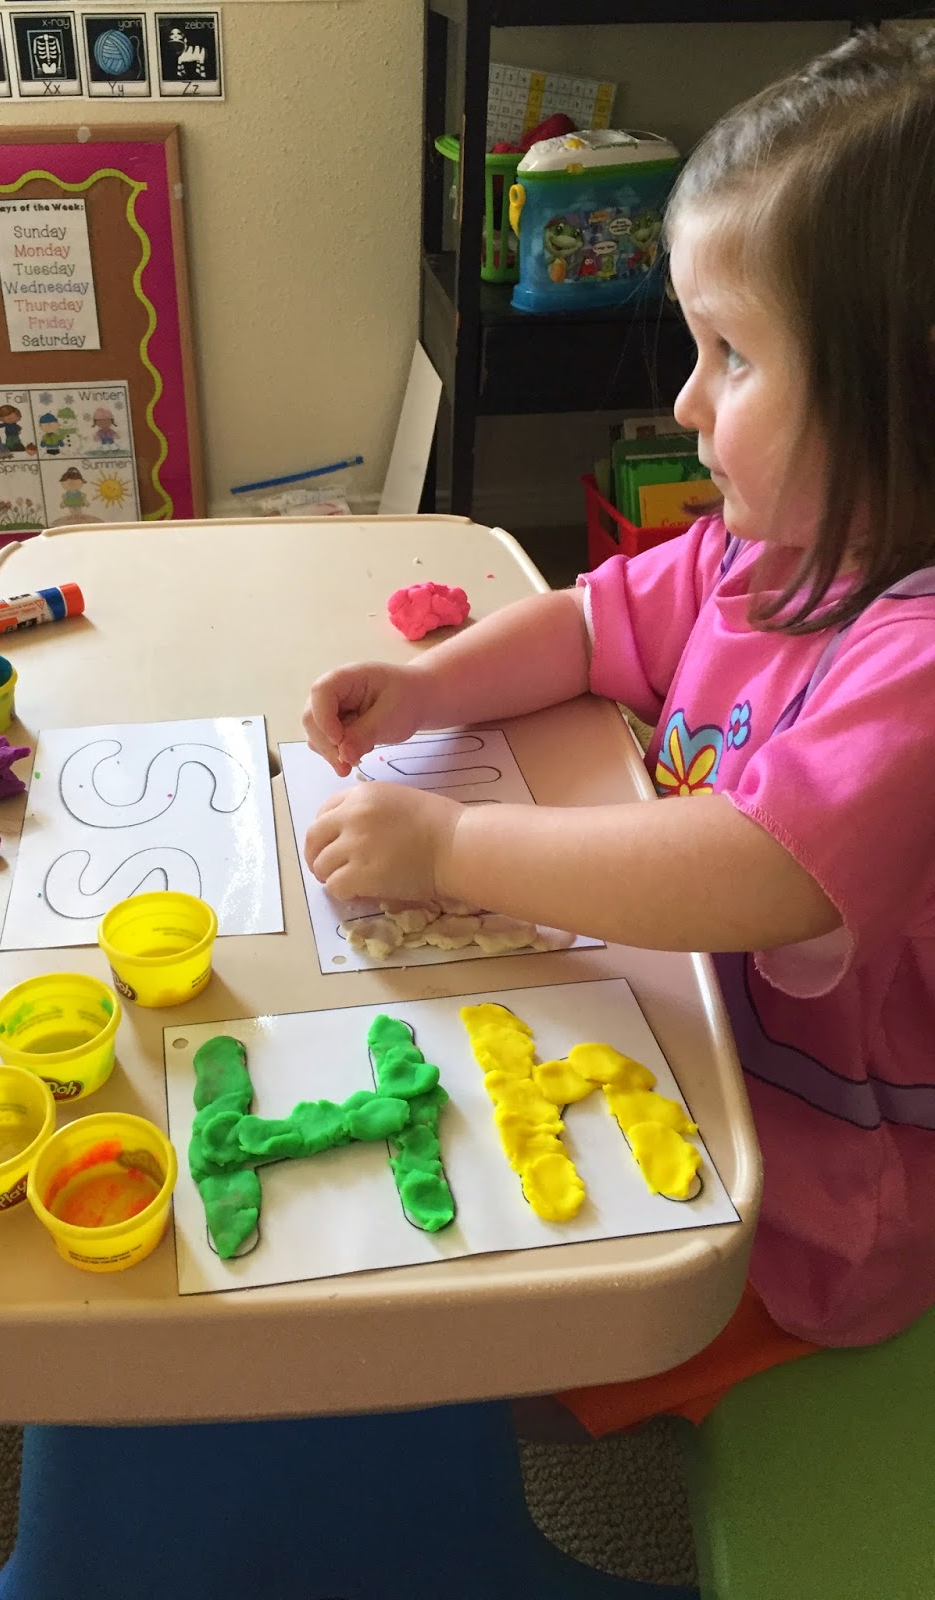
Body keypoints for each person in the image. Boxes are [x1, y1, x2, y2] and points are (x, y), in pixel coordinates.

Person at [303, 27, 935, 1437]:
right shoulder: (769, 545)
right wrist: (426, 689)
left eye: (733, 355)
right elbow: (597, 624)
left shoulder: (922, 654)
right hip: (703, 1024)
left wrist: (455, 842)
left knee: (547, 1332)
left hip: (836, 1170)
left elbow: (754, 868)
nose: (687, 402)